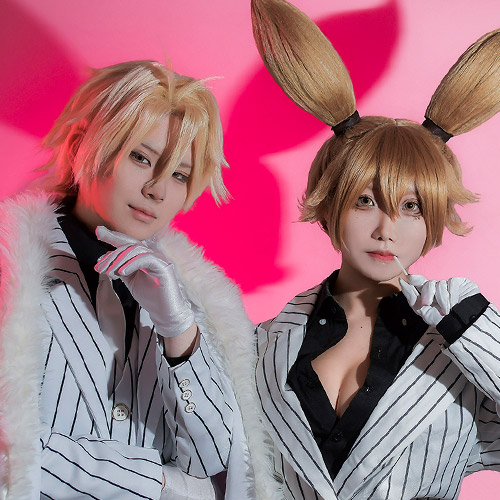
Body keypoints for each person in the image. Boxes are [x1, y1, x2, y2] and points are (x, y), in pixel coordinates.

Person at [231, 1, 500, 498]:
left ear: (433, 218)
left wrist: (473, 326)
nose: (385, 229)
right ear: (332, 204)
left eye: (411, 207)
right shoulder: (261, 345)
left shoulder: (466, 349)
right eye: (365, 201)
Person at [0, 61, 262, 500]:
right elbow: (12, 456)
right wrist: (156, 482)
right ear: (82, 146)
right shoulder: (11, 273)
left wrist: (178, 331)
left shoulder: (194, 299)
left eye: (179, 174)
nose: (157, 189)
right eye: (141, 157)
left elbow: (215, 461)